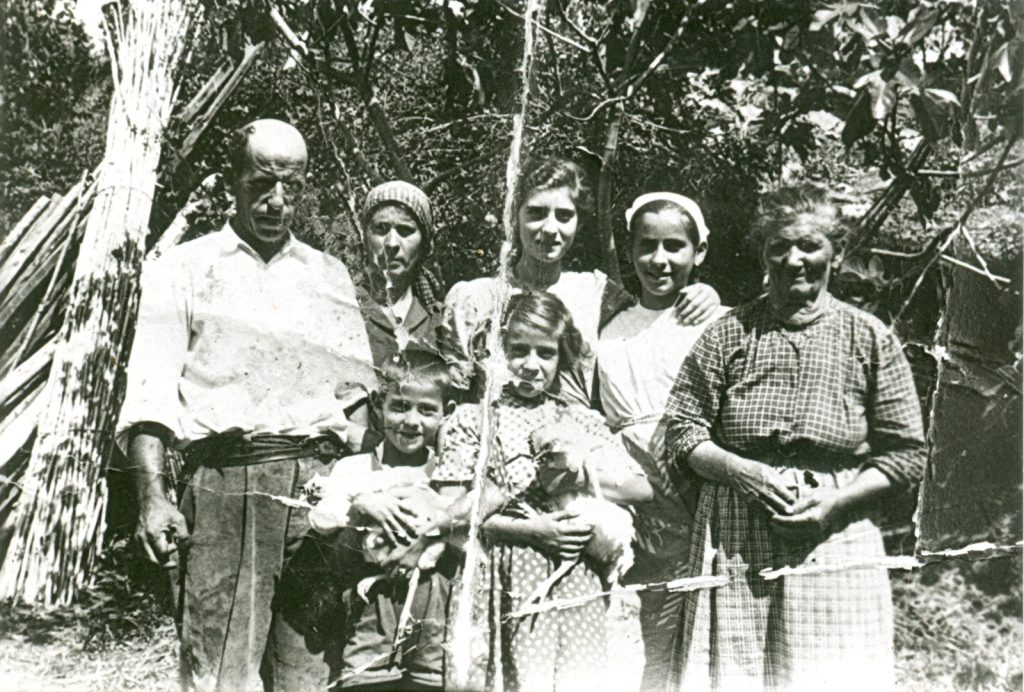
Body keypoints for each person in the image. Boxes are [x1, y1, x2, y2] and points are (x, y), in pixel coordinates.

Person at [117, 119, 379, 692]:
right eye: (262, 181)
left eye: (292, 184)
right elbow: (149, 399)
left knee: (313, 674)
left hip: (318, 493)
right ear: (234, 180)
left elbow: (357, 406)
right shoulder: (182, 268)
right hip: (224, 487)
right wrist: (153, 501)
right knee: (217, 676)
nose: (277, 200)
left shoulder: (328, 275)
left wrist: (359, 493)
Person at [662, 183, 926, 691]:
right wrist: (744, 472)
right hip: (734, 532)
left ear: (837, 253)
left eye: (810, 245)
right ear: (763, 253)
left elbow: (906, 454)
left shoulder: (869, 337)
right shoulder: (727, 333)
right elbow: (682, 429)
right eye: (779, 246)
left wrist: (834, 505)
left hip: (836, 532)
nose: (794, 259)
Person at [432, 292, 654, 691]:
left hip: (574, 577)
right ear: (495, 351)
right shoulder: (473, 419)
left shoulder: (580, 419)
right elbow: (451, 517)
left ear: (561, 356)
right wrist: (534, 533)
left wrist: (574, 479)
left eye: (545, 353)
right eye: (518, 351)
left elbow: (641, 488)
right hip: (496, 574)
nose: (531, 366)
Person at [441, 157, 720, 405]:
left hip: (573, 446)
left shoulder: (597, 293)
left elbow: (649, 321)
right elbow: (452, 394)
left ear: (578, 223)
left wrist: (703, 292)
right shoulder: (475, 298)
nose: (550, 229)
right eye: (536, 213)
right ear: (515, 215)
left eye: (564, 216)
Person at [595, 192, 727, 691]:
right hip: (633, 491)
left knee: (702, 625)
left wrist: (711, 295)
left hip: (695, 483)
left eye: (675, 246)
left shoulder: (715, 319)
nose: (660, 259)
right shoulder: (608, 328)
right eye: (647, 246)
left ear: (699, 253)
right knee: (646, 626)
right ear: (630, 252)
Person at [307, 349, 457, 691]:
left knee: (430, 682)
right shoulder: (355, 468)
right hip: (373, 606)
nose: (411, 421)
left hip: (433, 606)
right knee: (368, 680)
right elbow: (320, 519)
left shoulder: (445, 472)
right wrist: (360, 506)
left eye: (427, 410)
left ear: (446, 414)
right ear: (378, 406)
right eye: (400, 406)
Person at [358, 181, 445, 371]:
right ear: (365, 238)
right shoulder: (342, 307)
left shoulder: (442, 323)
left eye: (405, 231)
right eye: (380, 229)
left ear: (426, 245)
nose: (391, 243)